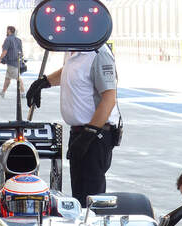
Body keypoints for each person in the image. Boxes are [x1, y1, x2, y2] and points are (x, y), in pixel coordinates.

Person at [26, 43, 120, 207]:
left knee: (91, 196)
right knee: (79, 194)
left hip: (96, 135)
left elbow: (109, 99)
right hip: (80, 133)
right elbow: (69, 72)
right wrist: (44, 82)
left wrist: (88, 135)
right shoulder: (73, 50)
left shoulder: (99, 53)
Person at [0, 26, 24, 98]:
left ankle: (23, 93)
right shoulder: (18, 40)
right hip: (17, 61)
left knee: (18, 78)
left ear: (9, 31)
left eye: (7, 30)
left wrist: (0, 58)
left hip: (12, 63)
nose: (6, 31)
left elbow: (5, 51)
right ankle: (3, 92)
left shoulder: (8, 39)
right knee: (7, 78)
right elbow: (21, 51)